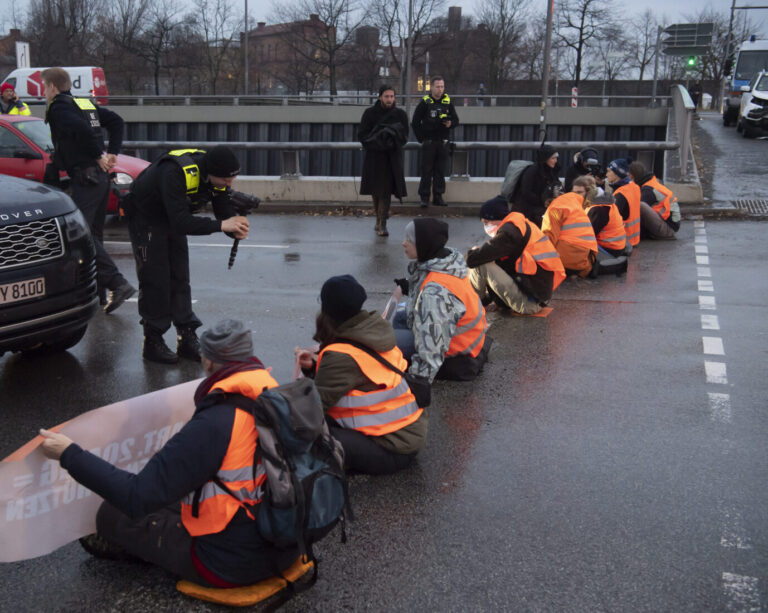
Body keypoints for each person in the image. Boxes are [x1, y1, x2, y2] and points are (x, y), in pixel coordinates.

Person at [39, 319, 299, 587]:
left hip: (231, 565)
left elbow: (136, 496)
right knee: (171, 498)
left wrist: (69, 454)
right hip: (286, 545)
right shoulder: (272, 393)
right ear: (248, 356)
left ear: (208, 362)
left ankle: (150, 553)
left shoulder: (216, 422)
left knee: (110, 514)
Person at [126, 146, 250, 364]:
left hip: (173, 216)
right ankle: (153, 341)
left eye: (233, 179)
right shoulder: (174, 172)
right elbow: (182, 222)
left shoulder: (216, 177)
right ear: (212, 172)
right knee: (156, 279)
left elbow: (222, 212)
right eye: (225, 179)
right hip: (146, 216)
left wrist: (235, 228)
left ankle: (186, 337)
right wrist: (223, 225)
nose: (229, 184)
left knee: (180, 276)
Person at [297, 275, 427, 475]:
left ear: (327, 311)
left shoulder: (341, 355)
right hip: (408, 434)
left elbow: (312, 409)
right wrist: (312, 368)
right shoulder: (373, 331)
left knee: (305, 434)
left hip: (391, 447)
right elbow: (358, 379)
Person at [41, 67, 135, 313]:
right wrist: (112, 152)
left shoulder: (59, 108)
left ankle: (117, 283)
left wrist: (98, 154)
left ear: (52, 86)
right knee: (94, 235)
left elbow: (81, 131)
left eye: (44, 87)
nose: (44, 92)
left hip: (86, 178)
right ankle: (99, 294)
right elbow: (116, 121)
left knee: (83, 236)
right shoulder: (83, 102)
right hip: (100, 179)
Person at [392, 218, 491, 382]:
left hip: (457, 353)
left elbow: (432, 349)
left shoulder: (435, 293)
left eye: (409, 240)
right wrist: (411, 288)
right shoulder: (447, 263)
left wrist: (417, 383)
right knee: (399, 318)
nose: (403, 243)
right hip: (469, 340)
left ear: (424, 244)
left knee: (386, 343)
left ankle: (397, 364)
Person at [466, 196, 565, 315]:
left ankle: (471, 305)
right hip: (537, 298)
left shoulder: (508, 234)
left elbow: (472, 260)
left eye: (487, 222)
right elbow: (506, 267)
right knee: (486, 259)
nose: (486, 227)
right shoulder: (519, 225)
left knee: (482, 264)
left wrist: (473, 251)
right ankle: (480, 301)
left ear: (498, 218)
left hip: (529, 304)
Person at [358, 85, 409, 237]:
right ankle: (378, 218)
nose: (389, 99)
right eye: (387, 96)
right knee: (375, 190)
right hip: (374, 157)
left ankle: (383, 223)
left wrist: (391, 141)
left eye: (392, 96)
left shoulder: (400, 114)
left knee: (385, 191)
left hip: (391, 158)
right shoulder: (370, 113)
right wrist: (378, 142)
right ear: (380, 97)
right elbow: (362, 135)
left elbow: (405, 135)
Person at [411, 76, 459, 208]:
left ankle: (438, 196)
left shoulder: (447, 102)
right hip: (429, 141)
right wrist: (421, 139)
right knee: (426, 171)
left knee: (440, 171)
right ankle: (424, 198)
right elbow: (415, 122)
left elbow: (456, 120)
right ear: (431, 87)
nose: (440, 89)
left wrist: (450, 123)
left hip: (443, 141)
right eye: (437, 86)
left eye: (442, 86)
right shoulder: (425, 103)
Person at [542, 185, 599, 278]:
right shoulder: (574, 204)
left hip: (566, 260)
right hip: (584, 261)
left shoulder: (555, 208)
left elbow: (549, 237)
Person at [576, 176, 629, 258]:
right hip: (617, 246)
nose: (575, 195)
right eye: (574, 192)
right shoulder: (604, 201)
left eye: (579, 192)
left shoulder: (598, 209)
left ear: (589, 192)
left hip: (609, 250)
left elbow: (586, 236)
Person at [511, 144, 562, 227]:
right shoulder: (532, 172)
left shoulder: (552, 171)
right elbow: (526, 192)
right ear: (545, 159)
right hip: (527, 209)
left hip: (541, 206)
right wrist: (543, 201)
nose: (555, 161)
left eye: (556, 158)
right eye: (553, 158)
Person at [629, 161, 680, 240]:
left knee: (639, 206)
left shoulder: (648, 190)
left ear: (632, 176)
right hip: (669, 225)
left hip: (668, 229)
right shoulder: (652, 183)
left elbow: (633, 212)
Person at [605, 158, 641, 248]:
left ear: (617, 174)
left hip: (621, 241)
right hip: (634, 238)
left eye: (609, 171)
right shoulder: (634, 187)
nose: (606, 174)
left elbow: (609, 220)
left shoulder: (620, 194)